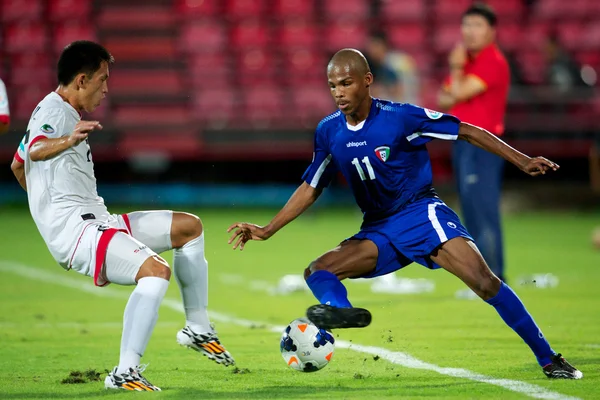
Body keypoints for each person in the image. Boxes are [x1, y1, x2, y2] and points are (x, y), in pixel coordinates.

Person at [228, 48, 582, 379]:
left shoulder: (400, 118)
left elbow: (466, 131)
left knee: (486, 282)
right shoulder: (328, 131)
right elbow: (312, 185)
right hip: (378, 229)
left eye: (346, 83)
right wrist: (268, 229)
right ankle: (341, 313)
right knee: (318, 270)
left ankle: (549, 358)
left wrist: (521, 160)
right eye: (333, 85)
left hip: (420, 215)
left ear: (367, 80)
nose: (338, 92)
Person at [9, 41, 234, 392]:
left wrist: (44, 208)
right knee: (156, 271)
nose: (107, 89)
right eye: (102, 79)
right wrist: (67, 146)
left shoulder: (55, 111)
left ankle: (197, 327)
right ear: (81, 80)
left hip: (97, 219)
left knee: (188, 228)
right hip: (79, 231)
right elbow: (37, 150)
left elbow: (17, 164)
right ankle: (125, 372)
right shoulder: (55, 113)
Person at [438, 4, 509, 290]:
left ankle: (496, 277)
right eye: (466, 25)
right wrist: (457, 80)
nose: (470, 31)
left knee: (483, 210)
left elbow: (456, 93)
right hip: (464, 144)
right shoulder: (468, 61)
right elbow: (443, 100)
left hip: (485, 146)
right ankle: (483, 277)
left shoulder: (492, 61)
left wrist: (455, 69)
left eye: (477, 25)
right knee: (470, 210)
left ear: (491, 31)